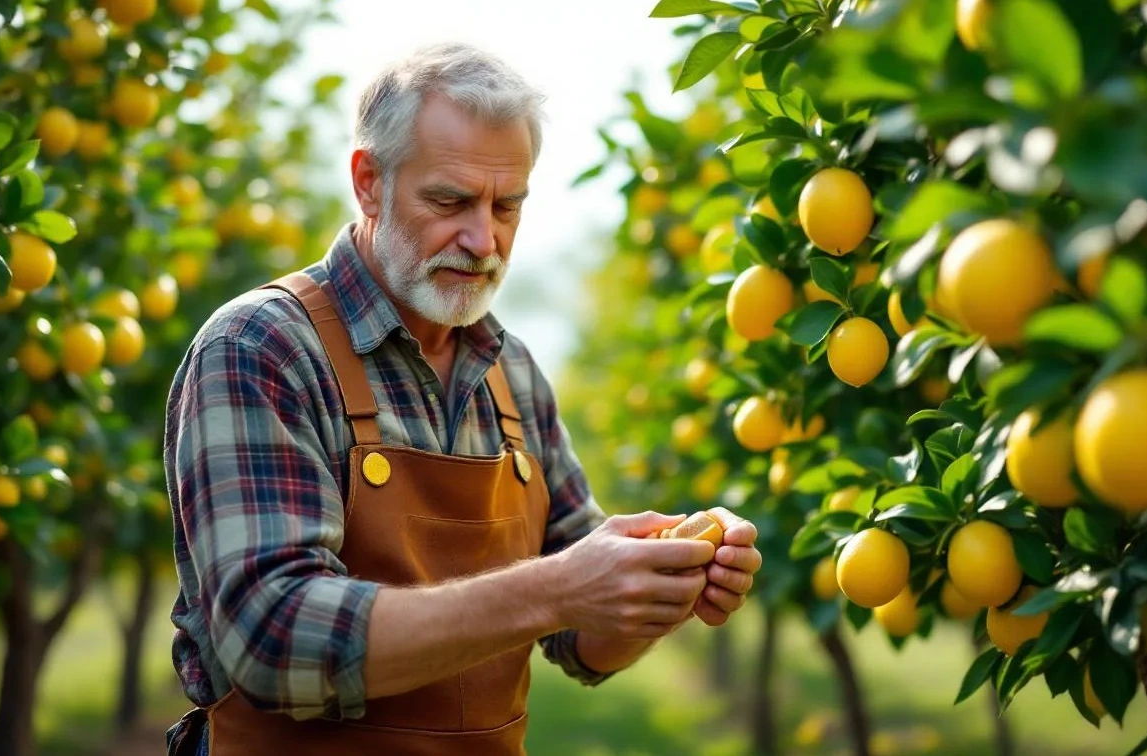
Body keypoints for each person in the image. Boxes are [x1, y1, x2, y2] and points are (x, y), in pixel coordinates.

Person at [162, 42, 763, 756]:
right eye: (450, 201)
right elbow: (271, 640)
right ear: (369, 183)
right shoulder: (263, 349)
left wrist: (655, 591)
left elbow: (580, 642)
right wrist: (556, 589)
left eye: (508, 206)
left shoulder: (512, 373)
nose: (484, 240)